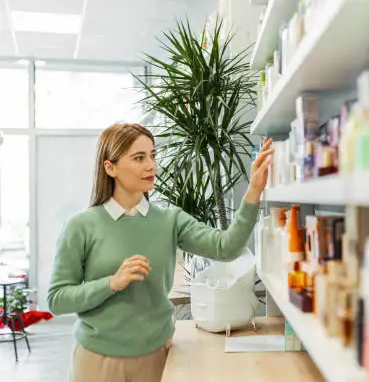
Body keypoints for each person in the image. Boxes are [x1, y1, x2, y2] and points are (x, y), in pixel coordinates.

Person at [47, 123, 273, 382]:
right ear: (110, 168)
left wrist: (254, 190)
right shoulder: (81, 226)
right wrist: (111, 283)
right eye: (139, 158)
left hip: (156, 357)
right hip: (97, 362)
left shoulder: (170, 220)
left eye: (153, 156)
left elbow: (226, 247)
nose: (151, 166)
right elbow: (58, 299)